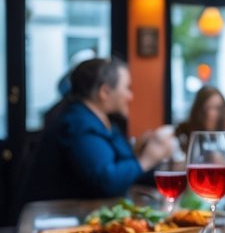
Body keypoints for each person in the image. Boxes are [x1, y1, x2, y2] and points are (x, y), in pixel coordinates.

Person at [22, 57, 176, 204]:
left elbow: (126, 171)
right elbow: (107, 182)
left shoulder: (102, 122)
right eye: (127, 88)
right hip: (58, 221)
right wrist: (147, 159)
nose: (131, 96)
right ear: (105, 92)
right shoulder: (79, 124)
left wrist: (144, 153)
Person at [176, 85, 225, 149]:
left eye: (219, 108)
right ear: (199, 109)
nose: (215, 113)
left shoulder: (224, 136)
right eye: (211, 107)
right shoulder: (184, 134)